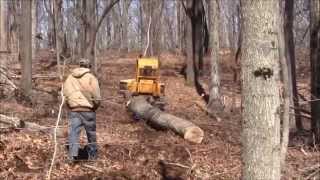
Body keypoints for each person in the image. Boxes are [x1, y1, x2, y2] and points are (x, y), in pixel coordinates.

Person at [63, 58, 101, 161]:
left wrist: (70, 106)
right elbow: (97, 97)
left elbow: (65, 94)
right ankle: (93, 156)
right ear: (88, 66)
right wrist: (95, 106)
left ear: (79, 66)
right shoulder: (91, 78)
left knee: (73, 133)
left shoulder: (69, 78)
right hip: (88, 110)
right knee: (91, 133)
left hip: (74, 109)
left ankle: (72, 156)